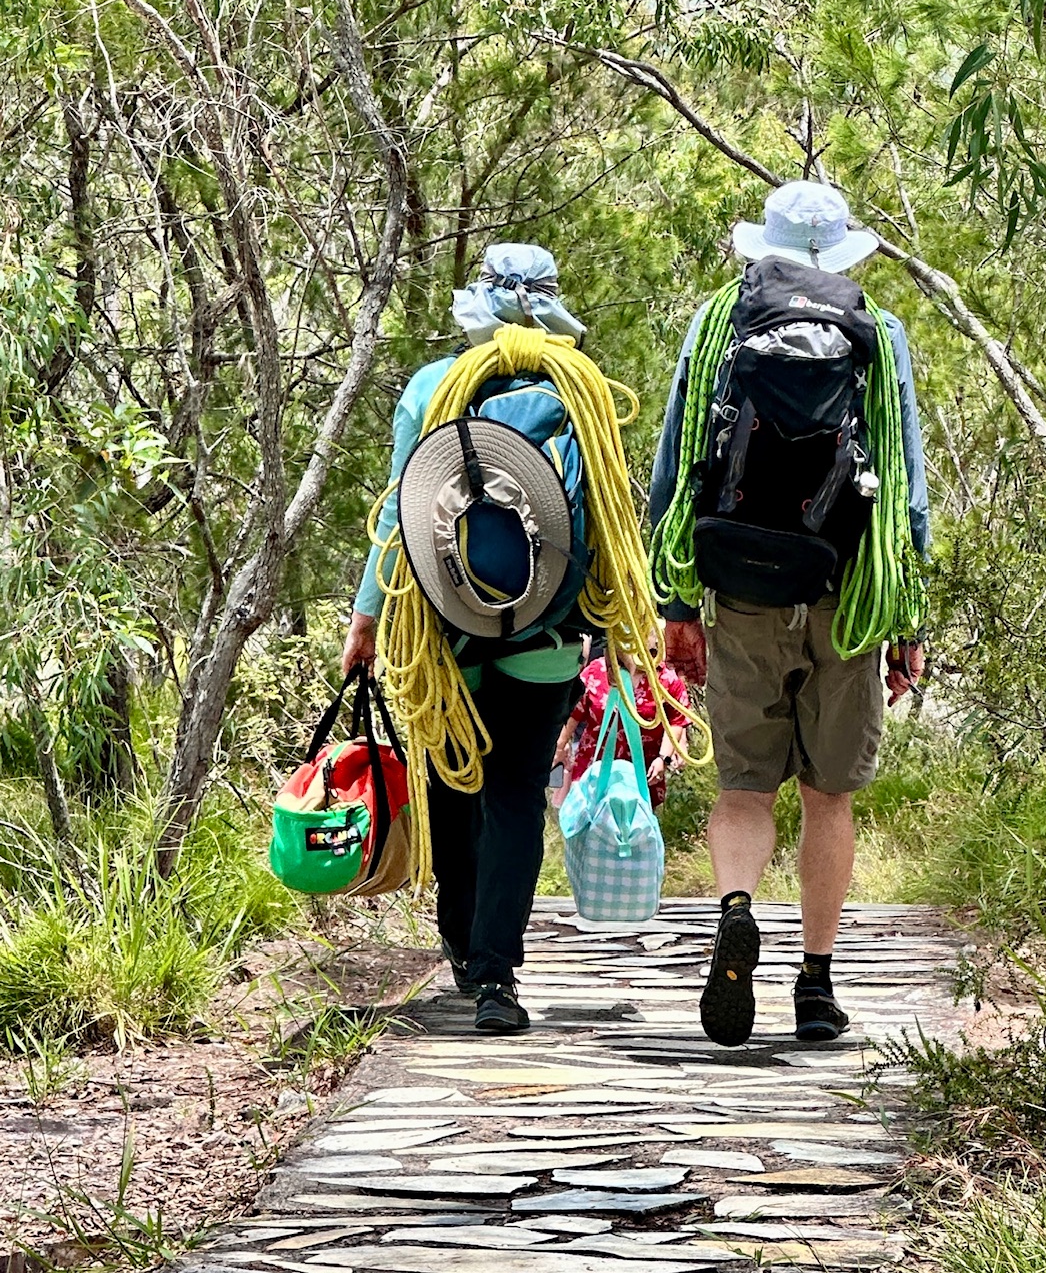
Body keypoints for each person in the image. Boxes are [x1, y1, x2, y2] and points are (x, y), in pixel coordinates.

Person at [649, 182, 931, 1046]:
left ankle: (736, 908)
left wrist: (677, 603)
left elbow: (679, 463)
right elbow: (909, 491)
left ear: (762, 244)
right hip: (847, 593)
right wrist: (907, 618)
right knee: (829, 794)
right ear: (843, 251)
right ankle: (815, 984)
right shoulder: (878, 334)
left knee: (744, 787)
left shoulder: (718, 322)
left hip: (740, 586)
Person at [342, 243, 591, 1035]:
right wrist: (622, 629)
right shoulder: (576, 391)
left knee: (454, 784)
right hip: (547, 629)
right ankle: (496, 976)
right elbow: (607, 519)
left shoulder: (430, 387)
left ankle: (459, 943)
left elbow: (397, 512)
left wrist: (368, 615)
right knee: (517, 794)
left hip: (443, 627)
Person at [553, 644, 690, 809]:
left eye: (652, 650)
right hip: (593, 768)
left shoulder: (667, 680)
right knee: (590, 826)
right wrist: (560, 746)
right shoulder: (597, 670)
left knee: (634, 828)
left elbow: (676, 720)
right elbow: (573, 712)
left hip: (640, 774)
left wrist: (663, 758)